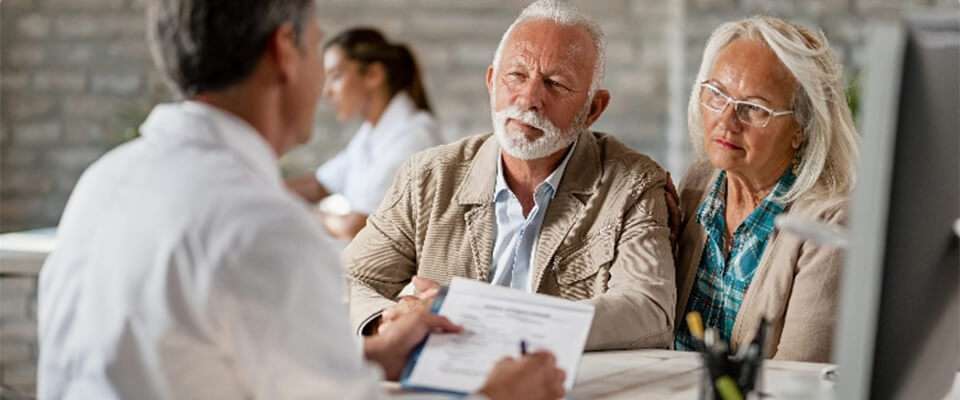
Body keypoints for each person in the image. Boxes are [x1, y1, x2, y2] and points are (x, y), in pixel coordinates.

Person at [36, 1, 565, 399]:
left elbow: (198, 363)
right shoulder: (261, 226)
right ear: (283, 51)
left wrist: (372, 356)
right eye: (317, 47)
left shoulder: (104, 180)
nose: (325, 84)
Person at [346, 0, 676, 351]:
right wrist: (387, 320)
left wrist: (488, 320)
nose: (530, 98)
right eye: (516, 76)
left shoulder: (633, 184)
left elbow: (648, 310)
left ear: (593, 109)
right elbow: (348, 279)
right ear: (491, 81)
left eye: (556, 83)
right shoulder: (427, 177)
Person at [672, 16, 859, 362]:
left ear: (801, 128)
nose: (727, 120)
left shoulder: (829, 222)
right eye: (717, 94)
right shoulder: (698, 184)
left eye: (754, 108)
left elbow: (799, 378)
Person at [286, 27, 443, 241]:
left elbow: (355, 227)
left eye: (336, 76)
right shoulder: (371, 134)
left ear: (373, 75)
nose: (327, 92)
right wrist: (262, 189)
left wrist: (305, 213)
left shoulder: (413, 136)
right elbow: (319, 184)